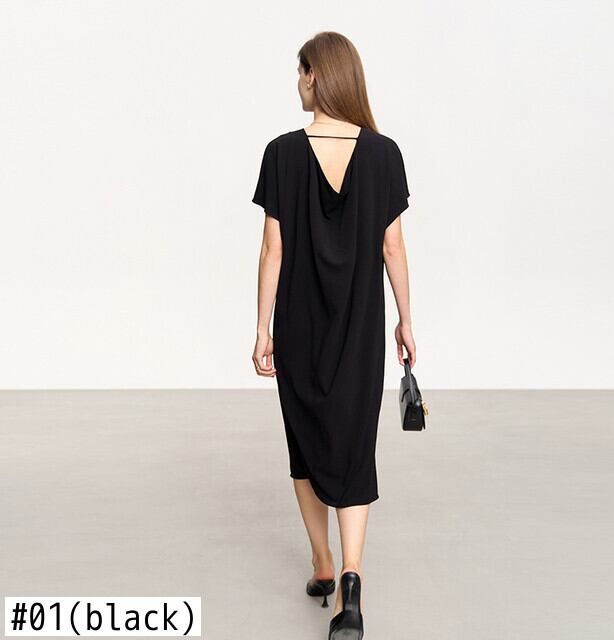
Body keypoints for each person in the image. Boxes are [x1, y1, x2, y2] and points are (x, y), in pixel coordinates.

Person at [251, 31, 416, 640]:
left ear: (315, 75)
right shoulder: (385, 154)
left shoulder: (280, 153)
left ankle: (321, 562)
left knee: (304, 440)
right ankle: (350, 576)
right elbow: (392, 247)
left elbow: (273, 250)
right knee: (353, 444)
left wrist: (262, 327)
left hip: (298, 324)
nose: (297, 83)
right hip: (360, 328)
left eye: (300, 72)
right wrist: (405, 320)